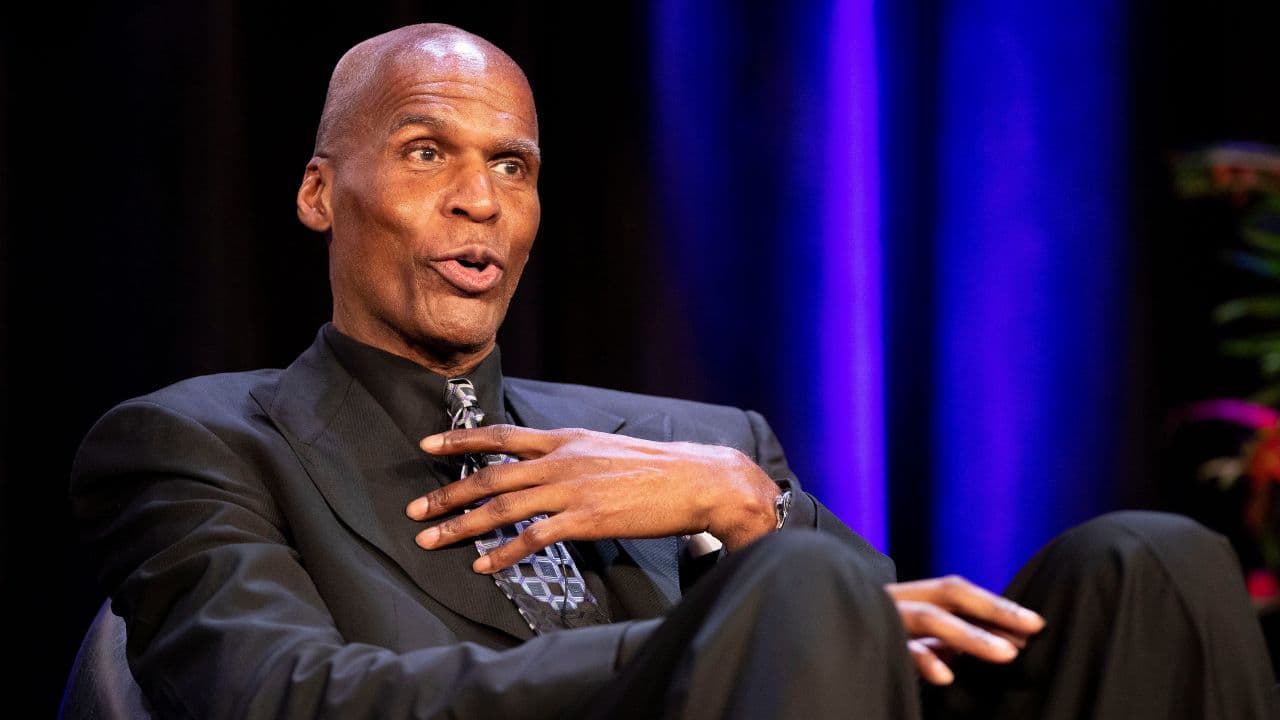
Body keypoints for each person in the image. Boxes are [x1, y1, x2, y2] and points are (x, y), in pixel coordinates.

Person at [69, 22, 1278, 720]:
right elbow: (278, 699)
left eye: (512, 165)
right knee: (796, 586)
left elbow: (879, 664)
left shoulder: (699, 447)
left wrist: (740, 514)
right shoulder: (203, 442)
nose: (476, 200)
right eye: (427, 150)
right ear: (321, 193)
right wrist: (702, 638)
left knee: (1151, 565)